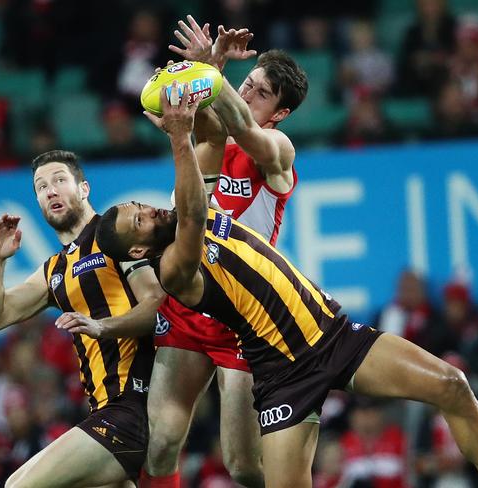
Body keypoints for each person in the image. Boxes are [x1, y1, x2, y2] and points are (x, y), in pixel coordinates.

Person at [95, 82, 478, 488]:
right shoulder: (174, 269)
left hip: (333, 333)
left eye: (140, 206)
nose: (150, 210)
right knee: (248, 471)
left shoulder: (199, 202)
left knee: (452, 385)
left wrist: (201, 81)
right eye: (140, 219)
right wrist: (178, 138)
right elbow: (191, 212)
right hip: (283, 374)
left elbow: (212, 142)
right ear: (137, 252)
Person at [127, 17, 306, 488]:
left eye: (261, 92)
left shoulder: (277, 150)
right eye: (247, 84)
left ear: (281, 113)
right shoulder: (208, 138)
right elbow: (204, 121)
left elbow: (242, 127)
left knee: (244, 467)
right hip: (188, 303)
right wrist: (200, 76)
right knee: (161, 442)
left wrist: (212, 69)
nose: (247, 94)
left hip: (243, 318)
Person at [0, 150, 165, 488]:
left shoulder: (114, 235)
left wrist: (101, 326)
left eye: (59, 180)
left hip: (132, 407)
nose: (50, 190)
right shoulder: (54, 269)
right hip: (103, 412)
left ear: (84, 188)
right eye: (41, 186)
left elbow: (155, 306)